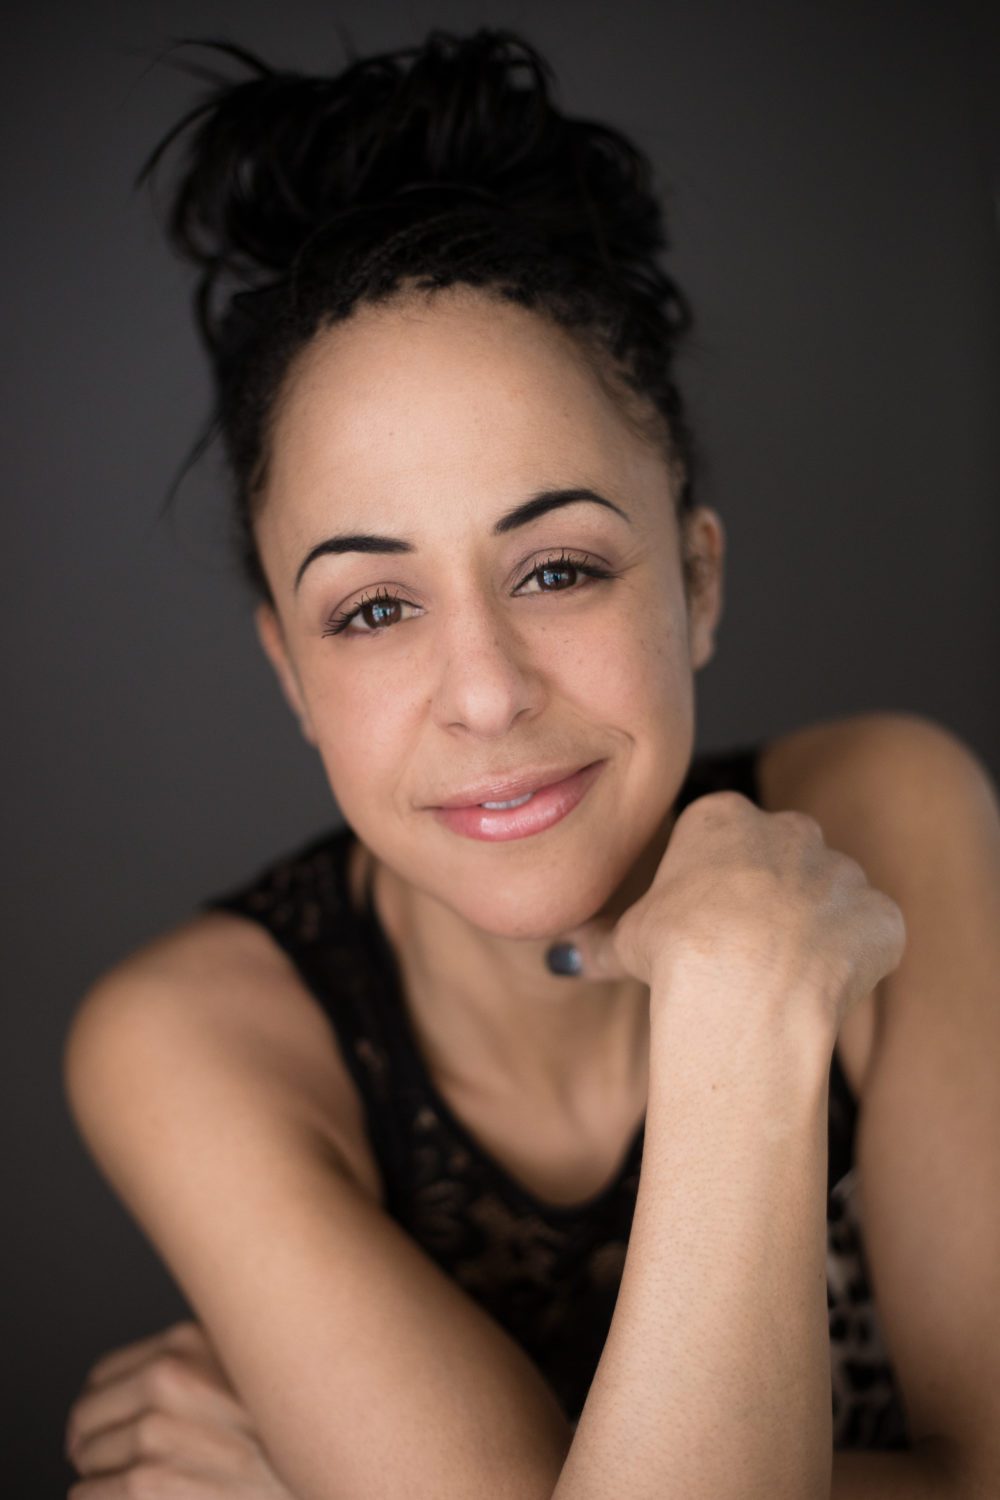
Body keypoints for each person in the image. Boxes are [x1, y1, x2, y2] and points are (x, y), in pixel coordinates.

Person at [61, 25, 1000, 1500]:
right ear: (290, 672)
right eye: (374, 609)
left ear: (697, 582)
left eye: (558, 570)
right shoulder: (184, 1043)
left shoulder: (891, 811)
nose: (487, 695)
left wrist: (743, 996)